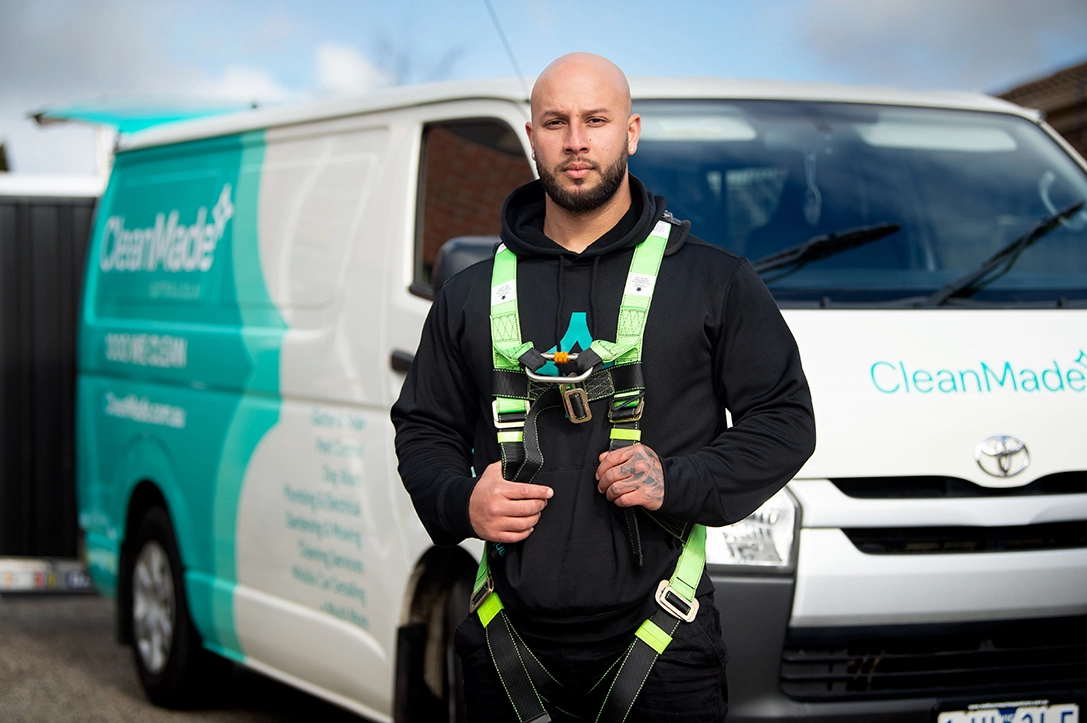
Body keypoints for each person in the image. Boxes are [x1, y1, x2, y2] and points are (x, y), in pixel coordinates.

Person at [392, 52, 816, 723]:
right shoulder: (470, 292)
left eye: (596, 119)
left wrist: (676, 478)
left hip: (664, 642)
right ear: (531, 136)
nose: (576, 140)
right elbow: (424, 426)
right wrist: (458, 499)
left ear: (632, 130)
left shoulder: (712, 280)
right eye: (555, 122)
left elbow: (784, 418)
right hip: (505, 639)